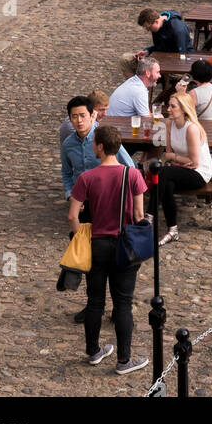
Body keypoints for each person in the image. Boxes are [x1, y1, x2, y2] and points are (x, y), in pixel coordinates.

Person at [67, 125, 150, 375]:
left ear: (100, 147)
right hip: (124, 246)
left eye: (94, 143)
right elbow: (137, 214)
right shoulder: (132, 175)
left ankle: (93, 351)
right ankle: (124, 360)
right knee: (123, 304)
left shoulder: (87, 178)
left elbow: (72, 215)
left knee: (95, 301)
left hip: (97, 245)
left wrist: (79, 235)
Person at [157, 92, 212, 244]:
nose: (168, 109)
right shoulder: (169, 124)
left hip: (199, 173)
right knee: (166, 182)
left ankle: (149, 215)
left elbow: (194, 162)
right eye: (168, 105)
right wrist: (174, 159)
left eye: (172, 106)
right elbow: (168, 152)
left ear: (183, 109)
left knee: (163, 172)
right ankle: (172, 229)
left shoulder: (191, 128)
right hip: (181, 168)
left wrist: (174, 159)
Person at [61, 96, 135, 198]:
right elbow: (66, 173)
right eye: (74, 116)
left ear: (92, 116)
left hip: (107, 197)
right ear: (70, 119)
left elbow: (130, 167)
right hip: (81, 198)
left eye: (83, 115)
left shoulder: (106, 138)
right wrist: (70, 194)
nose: (79, 120)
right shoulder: (67, 144)